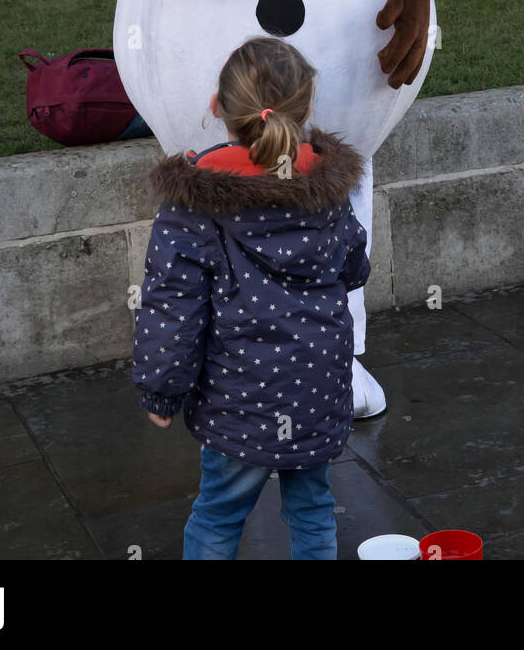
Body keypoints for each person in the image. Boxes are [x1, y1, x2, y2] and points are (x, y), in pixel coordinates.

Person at [132, 35, 370, 560]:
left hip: (236, 402)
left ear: (218, 108)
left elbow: (171, 307)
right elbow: (354, 267)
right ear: (307, 107)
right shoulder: (327, 188)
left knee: (218, 517)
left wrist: (161, 392)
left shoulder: (194, 203)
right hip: (316, 393)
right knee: (312, 514)